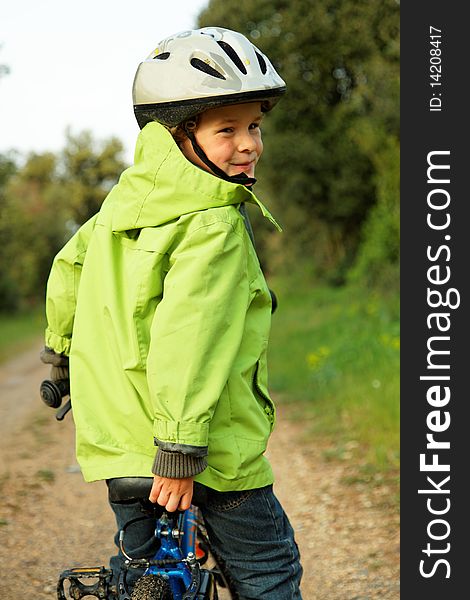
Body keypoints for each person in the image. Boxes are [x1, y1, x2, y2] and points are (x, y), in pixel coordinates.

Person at [41, 27, 302, 599]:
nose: (250, 143)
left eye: (254, 125)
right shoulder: (215, 223)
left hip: (119, 445)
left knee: (143, 572)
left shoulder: (119, 206)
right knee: (269, 568)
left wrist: (57, 357)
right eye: (226, 129)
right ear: (179, 137)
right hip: (200, 451)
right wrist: (180, 450)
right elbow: (193, 337)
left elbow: (68, 271)